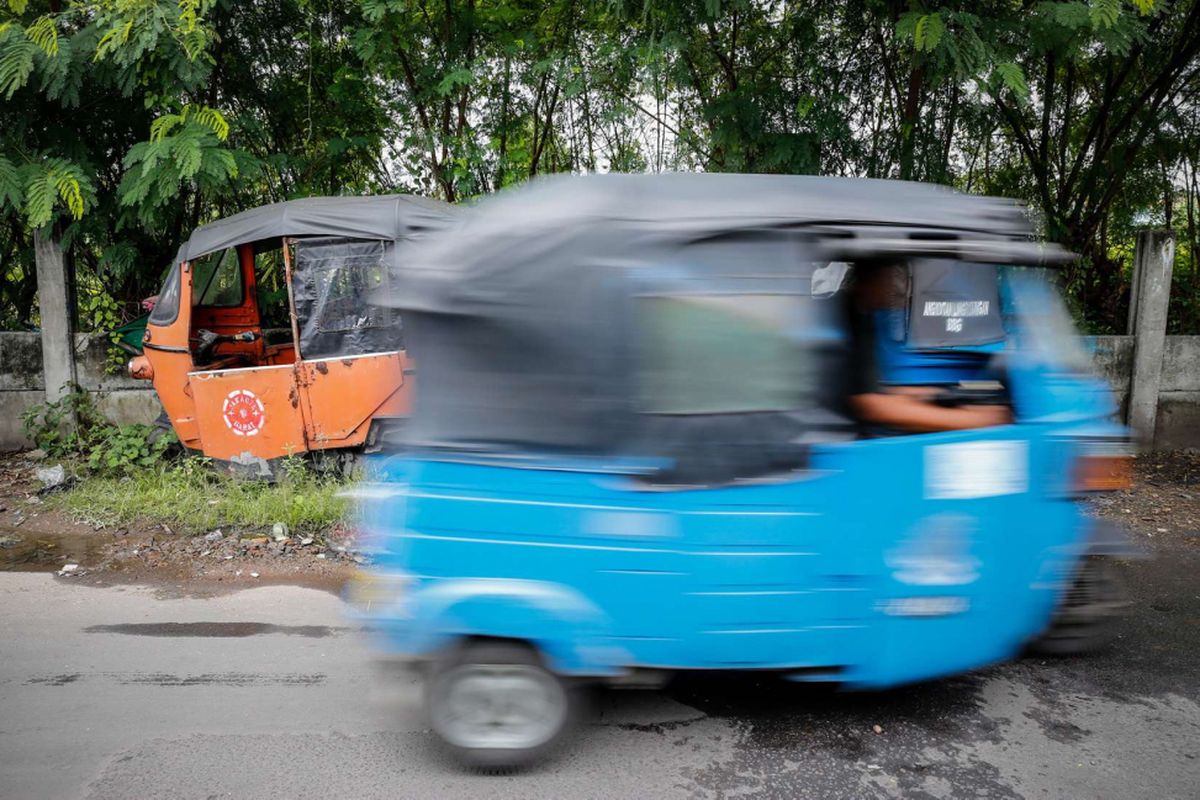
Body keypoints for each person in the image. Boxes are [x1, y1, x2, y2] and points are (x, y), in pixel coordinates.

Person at [846, 261, 1011, 433]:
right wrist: (977, 419)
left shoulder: (954, 331)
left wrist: (933, 395)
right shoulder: (856, 327)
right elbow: (871, 406)